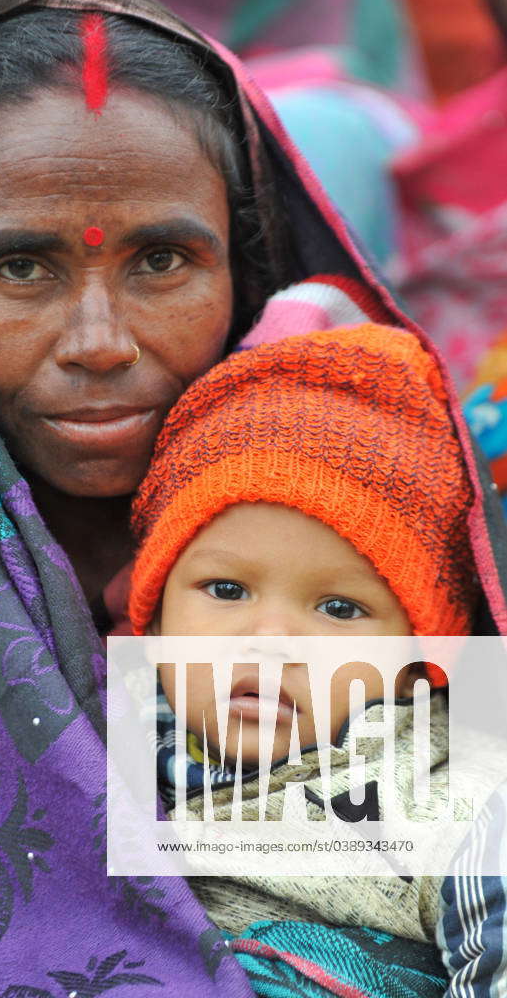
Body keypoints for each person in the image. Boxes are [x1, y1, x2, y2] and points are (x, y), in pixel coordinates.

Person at [0, 0, 506, 996]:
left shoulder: (408, 519)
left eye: (161, 259)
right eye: (20, 266)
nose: (99, 339)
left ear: (245, 259)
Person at [127, 324, 484, 994]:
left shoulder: (446, 800)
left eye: (339, 608)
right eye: (226, 590)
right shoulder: (85, 738)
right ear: (154, 619)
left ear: (417, 667)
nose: (270, 639)